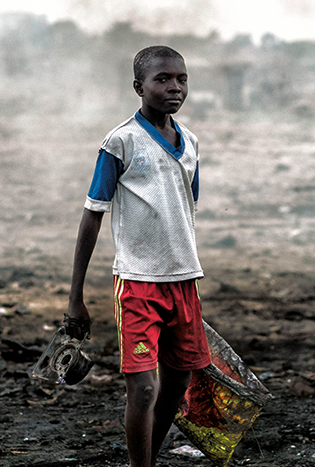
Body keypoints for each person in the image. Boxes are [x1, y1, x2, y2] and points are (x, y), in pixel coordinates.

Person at [65, 45, 211, 467]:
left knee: (177, 383)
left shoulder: (192, 144)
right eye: (162, 79)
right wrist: (76, 297)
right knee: (143, 388)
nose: (174, 87)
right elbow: (92, 215)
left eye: (181, 79)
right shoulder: (121, 142)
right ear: (138, 87)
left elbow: (186, 207)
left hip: (184, 280)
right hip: (138, 282)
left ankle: (148, 456)